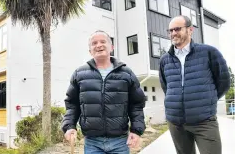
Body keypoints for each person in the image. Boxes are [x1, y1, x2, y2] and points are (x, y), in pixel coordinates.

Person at [61, 30, 146, 154]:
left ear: (111, 47)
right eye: (94, 43)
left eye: (103, 41)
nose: (99, 45)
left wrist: (136, 130)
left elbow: (137, 104)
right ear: (90, 50)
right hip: (92, 143)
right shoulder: (79, 74)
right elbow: (72, 104)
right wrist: (69, 126)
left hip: (120, 141)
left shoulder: (126, 73)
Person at [159, 15, 230, 154]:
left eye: (177, 29)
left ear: (190, 30)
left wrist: (206, 101)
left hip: (204, 121)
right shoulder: (165, 60)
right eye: (170, 30)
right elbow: (166, 86)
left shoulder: (209, 52)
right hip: (176, 123)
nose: (173, 33)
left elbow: (224, 82)